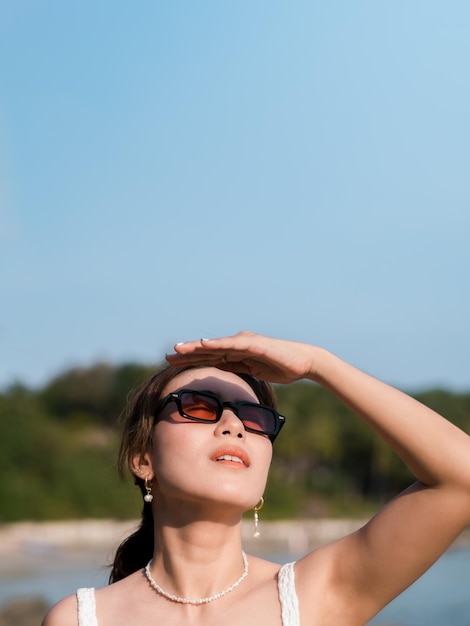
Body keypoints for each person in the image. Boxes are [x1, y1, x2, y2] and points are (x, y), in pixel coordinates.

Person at [42, 331, 470, 626]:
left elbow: (460, 478)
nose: (234, 425)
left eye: (254, 416)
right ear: (143, 459)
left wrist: (317, 365)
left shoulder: (310, 597)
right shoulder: (79, 618)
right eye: (199, 406)